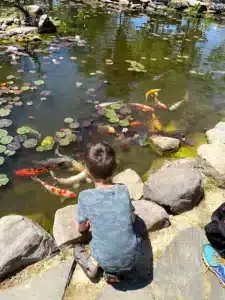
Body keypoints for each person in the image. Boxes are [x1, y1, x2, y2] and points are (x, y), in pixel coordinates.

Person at [73, 142, 142, 283]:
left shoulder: (85, 196)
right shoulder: (123, 189)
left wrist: (79, 226)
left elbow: (82, 228)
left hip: (105, 259)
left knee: (77, 249)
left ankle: (93, 266)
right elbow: (131, 215)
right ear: (115, 167)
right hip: (134, 257)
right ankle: (115, 271)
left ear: (86, 172)